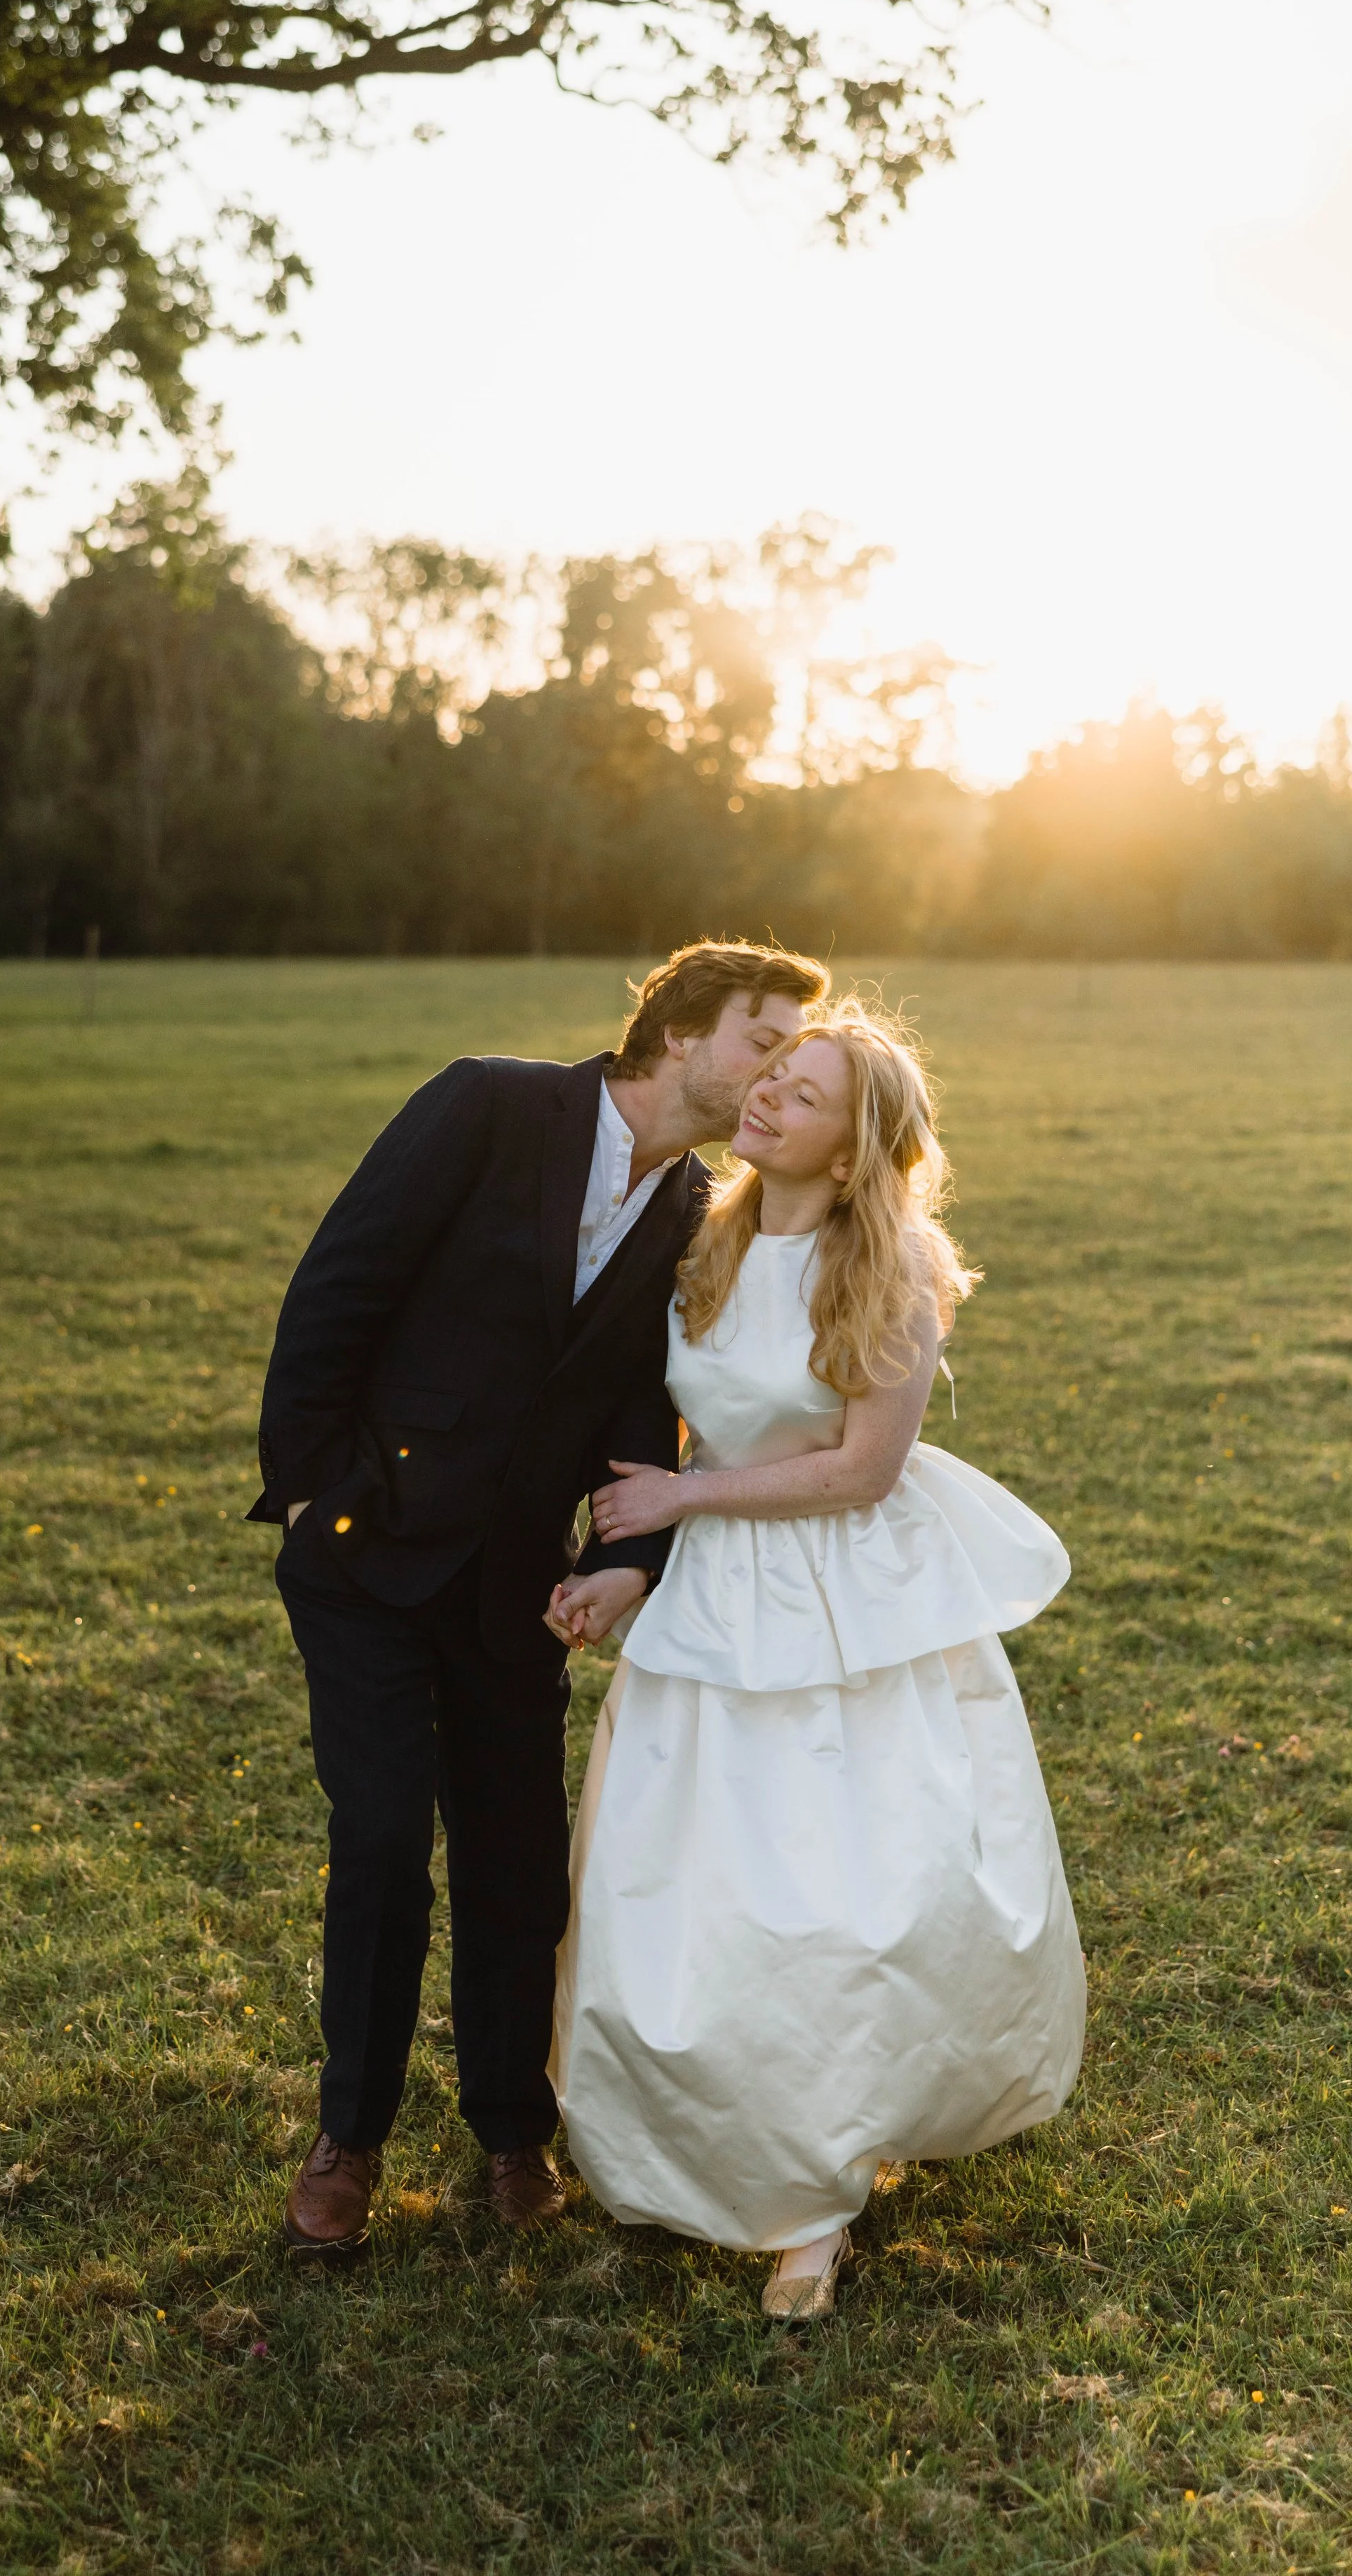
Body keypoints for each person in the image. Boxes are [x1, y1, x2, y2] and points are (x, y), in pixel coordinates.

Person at [250, 940, 830, 2253]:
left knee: (519, 1870)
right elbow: (340, 1285)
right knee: (389, 1839)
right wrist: (310, 1492)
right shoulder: (488, 1104)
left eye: (798, 1057)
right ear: (680, 1033)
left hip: (522, 1587)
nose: (776, 1074)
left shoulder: (698, 1208)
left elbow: (643, 1399)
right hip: (368, 1557)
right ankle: (349, 2143)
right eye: (763, 1041)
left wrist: (625, 1558)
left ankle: (514, 2131)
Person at [550, 1000, 1086, 2318]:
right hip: (714, 1594)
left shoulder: (887, 1267)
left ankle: (816, 2192)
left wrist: (678, 1508)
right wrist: (632, 1559)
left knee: (837, 1889)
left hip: (842, 1591)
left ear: (852, 1155)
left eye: (811, 1088)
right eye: (777, 1068)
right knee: (689, 1872)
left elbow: (865, 1468)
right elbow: (669, 1416)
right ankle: (693, 2134)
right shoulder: (702, 1235)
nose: (775, 1091)